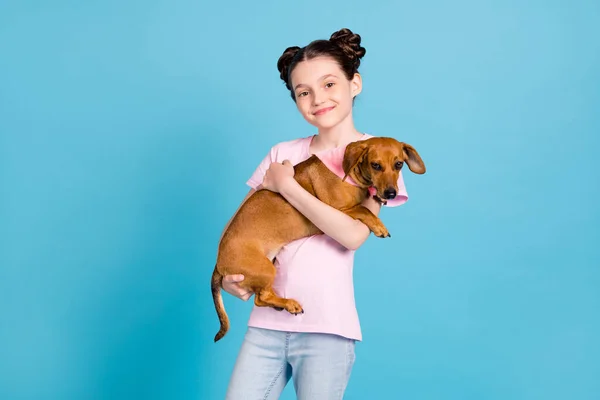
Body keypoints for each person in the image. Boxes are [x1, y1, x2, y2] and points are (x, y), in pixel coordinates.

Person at [219, 28, 409, 400]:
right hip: (265, 326)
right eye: (304, 92)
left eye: (329, 84)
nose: (317, 99)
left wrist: (287, 186)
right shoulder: (282, 152)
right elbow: (242, 221)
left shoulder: (382, 158)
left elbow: (353, 234)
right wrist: (231, 273)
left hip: (327, 328)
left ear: (355, 84)